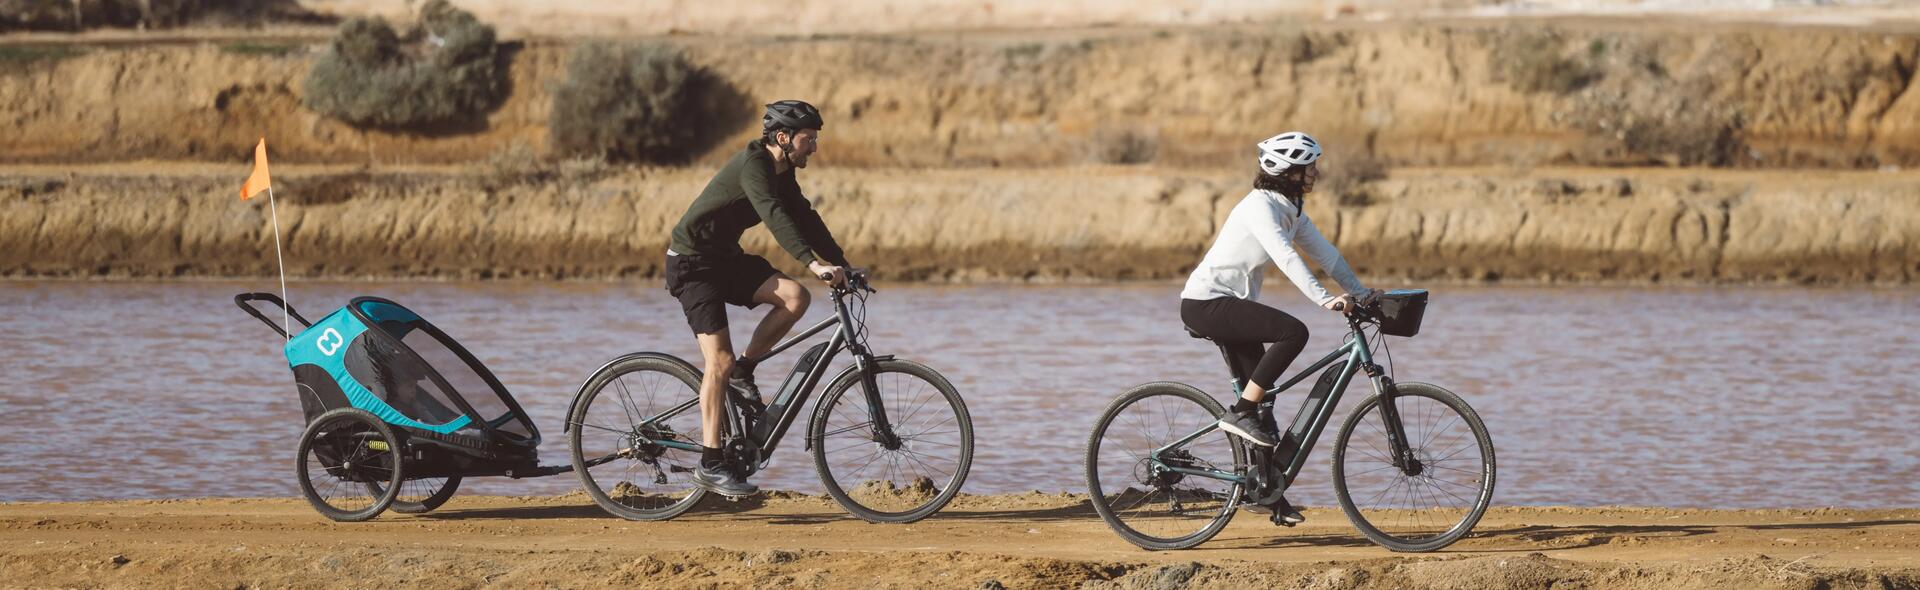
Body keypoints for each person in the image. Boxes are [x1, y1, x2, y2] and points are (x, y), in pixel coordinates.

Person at [1179, 131, 1381, 524]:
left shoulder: (1289, 209)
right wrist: (1326, 299)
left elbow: (1327, 254)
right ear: (1287, 171)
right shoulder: (1259, 208)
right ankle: (1240, 411)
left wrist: (1361, 292)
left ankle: (1267, 495)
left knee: (1265, 406)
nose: (1315, 174)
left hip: (1230, 306)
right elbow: (1286, 258)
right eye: (1309, 168)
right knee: (1294, 333)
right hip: (1206, 304)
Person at [664, 100, 852, 498]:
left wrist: (841, 264)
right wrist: (810, 263)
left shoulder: (783, 171)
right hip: (692, 265)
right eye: (808, 139)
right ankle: (710, 462)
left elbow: (804, 216)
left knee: (795, 297)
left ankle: (744, 372)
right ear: (783, 138)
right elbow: (774, 215)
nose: (815, 147)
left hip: (724, 259)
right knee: (719, 360)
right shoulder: (756, 165)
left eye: (816, 138)